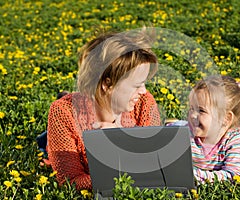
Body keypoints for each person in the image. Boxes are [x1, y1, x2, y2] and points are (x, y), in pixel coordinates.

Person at [47, 28, 161, 191]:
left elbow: (154, 164)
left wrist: (122, 140)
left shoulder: (144, 102)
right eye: (136, 85)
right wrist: (130, 174)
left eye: (144, 83)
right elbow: (70, 181)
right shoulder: (63, 112)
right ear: (107, 84)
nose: (143, 91)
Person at [189, 74, 240, 183]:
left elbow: (233, 175)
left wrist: (193, 176)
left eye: (201, 111)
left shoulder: (234, 141)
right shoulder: (186, 131)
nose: (193, 115)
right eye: (191, 108)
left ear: (225, 118)